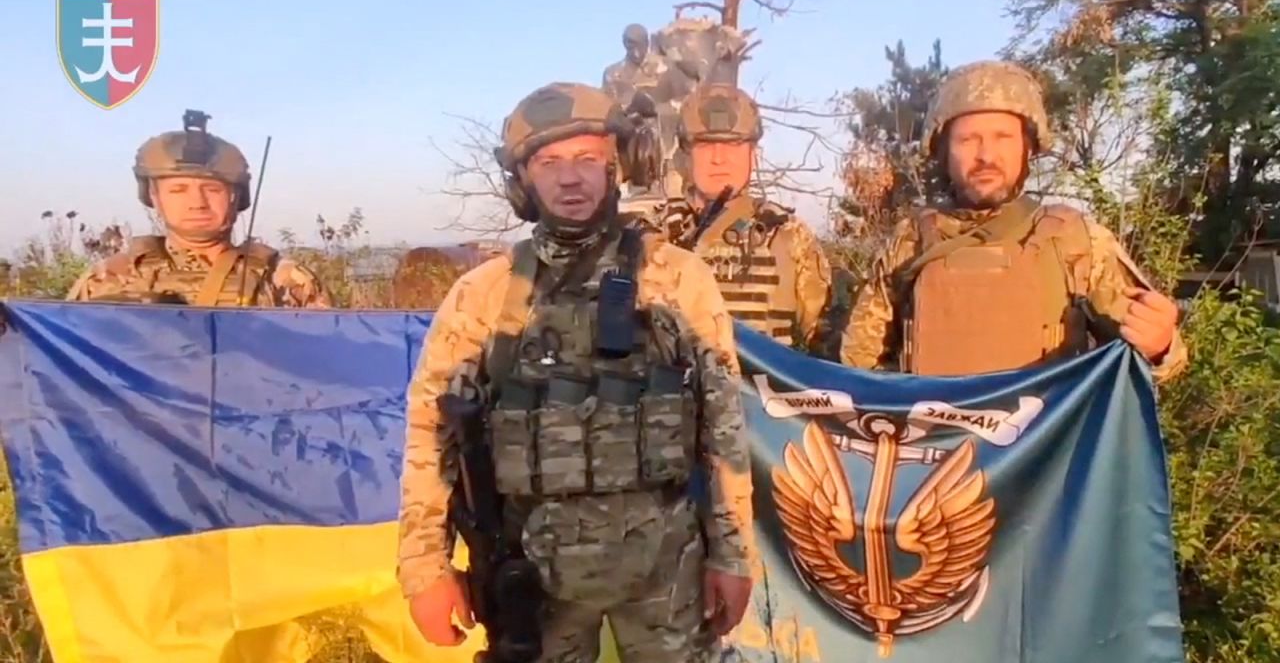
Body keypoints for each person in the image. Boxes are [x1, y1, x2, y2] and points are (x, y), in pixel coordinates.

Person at [396, 82, 755, 662]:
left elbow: (723, 430)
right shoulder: (485, 295)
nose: (570, 177)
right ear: (523, 180)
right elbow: (430, 434)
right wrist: (425, 569)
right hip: (534, 575)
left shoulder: (677, 280)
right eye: (549, 161)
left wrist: (734, 557)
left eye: (588, 159)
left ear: (619, 166)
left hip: (666, 570)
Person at [840, 60, 1187, 380]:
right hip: (937, 443)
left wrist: (1160, 346)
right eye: (968, 140)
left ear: (1028, 148)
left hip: (1042, 444)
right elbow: (859, 368)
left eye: (1003, 137)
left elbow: (1158, 363)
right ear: (944, 152)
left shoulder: (1075, 239)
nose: (986, 156)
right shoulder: (910, 240)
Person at [65, 110, 329, 307]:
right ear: (154, 196)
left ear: (236, 196)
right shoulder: (109, 278)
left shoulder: (285, 280)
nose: (197, 203)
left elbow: (328, 367)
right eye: (178, 190)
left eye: (212, 189)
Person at [667, 83, 834, 353]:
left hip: (761, 392)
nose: (718, 159)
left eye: (732, 145)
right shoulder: (652, 232)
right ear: (686, 154)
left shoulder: (787, 236)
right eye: (706, 144)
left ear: (752, 155)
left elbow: (826, 353)